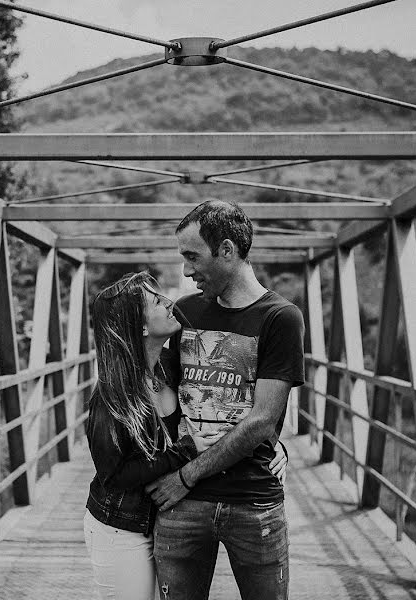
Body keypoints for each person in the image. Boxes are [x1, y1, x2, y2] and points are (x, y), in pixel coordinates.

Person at [83, 271, 288, 600]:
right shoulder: (112, 396)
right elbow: (114, 476)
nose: (170, 304)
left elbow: (224, 402)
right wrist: (183, 452)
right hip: (120, 527)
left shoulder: (168, 367)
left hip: (161, 519)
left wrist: (272, 444)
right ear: (142, 327)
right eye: (156, 300)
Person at [146, 200, 305, 600]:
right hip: (182, 505)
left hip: (251, 502)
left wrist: (185, 476)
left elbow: (261, 420)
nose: (186, 270)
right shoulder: (184, 312)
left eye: (192, 256)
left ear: (228, 251)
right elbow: (158, 392)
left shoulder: (280, 318)